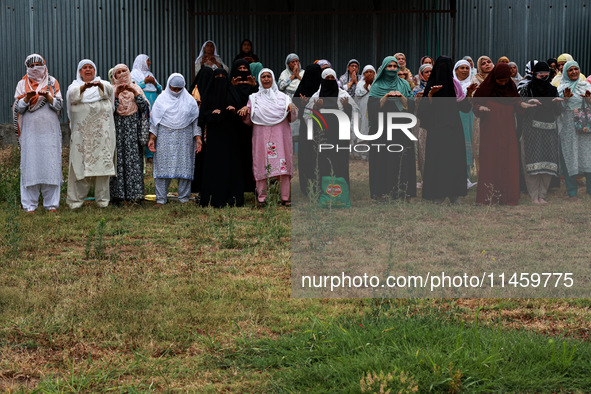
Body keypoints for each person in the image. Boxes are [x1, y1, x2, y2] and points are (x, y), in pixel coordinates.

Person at [473, 62, 536, 205]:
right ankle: (489, 196)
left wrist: (522, 105)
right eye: (499, 80)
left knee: (508, 160)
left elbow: (516, 103)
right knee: (491, 160)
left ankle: (508, 196)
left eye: (505, 80)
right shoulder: (486, 88)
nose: (502, 83)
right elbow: (475, 105)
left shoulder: (511, 86)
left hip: (507, 131)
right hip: (490, 131)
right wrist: (480, 107)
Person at [238, 69, 297, 207]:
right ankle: (262, 197)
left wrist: (292, 109)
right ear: (259, 79)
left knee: (282, 164)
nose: (266, 79)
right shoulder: (254, 98)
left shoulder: (284, 98)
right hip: (261, 136)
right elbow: (249, 120)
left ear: (273, 78)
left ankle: (285, 197)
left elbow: (292, 117)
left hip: (280, 136)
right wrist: (245, 111)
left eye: (268, 76)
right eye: (263, 77)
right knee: (262, 164)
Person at [12, 54, 62, 213]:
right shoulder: (22, 84)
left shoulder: (52, 82)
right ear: (27, 67)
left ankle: (52, 204)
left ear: (44, 65)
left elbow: (59, 105)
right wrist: (26, 99)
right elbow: (18, 109)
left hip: (50, 131)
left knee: (50, 164)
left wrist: (48, 96)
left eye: (38, 65)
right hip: (30, 132)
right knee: (30, 165)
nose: (35, 68)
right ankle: (29, 205)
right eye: (31, 65)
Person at [419, 56, 469, 204]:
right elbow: (422, 112)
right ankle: (437, 194)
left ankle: (455, 194)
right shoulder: (431, 85)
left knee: (455, 162)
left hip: (454, 130)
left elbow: (465, 108)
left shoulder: (455, 85)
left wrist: (469, 94)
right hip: (437, 131)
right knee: (438, 162)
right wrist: (430, 96)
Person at [66, 59, 116, 209]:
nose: (88, 70)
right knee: (79, 167)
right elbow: (72, 98)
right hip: (82, 137)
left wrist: (98, 85)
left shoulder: (104, 84)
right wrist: (83, 88)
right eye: (84, 68)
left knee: (103, 168)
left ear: (95, 71)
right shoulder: (73, 87)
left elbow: (109, 92)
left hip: (102, 137)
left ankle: (103, 201)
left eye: (91, 68)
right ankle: (75, 202)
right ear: (79, 72)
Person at [148, 74, 202, 207]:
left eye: (179, 89)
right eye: (174, 89)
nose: (176, 92)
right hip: (164, 137)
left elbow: (195, 122)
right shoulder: (161, 100)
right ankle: (161, 199)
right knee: (162, 168)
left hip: (184, 138)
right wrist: (152, 139)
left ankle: (183, 198)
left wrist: (198, 138)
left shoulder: (189, 101)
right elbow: (155, 121)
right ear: (168, 86)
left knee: (184, 168)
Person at [368, 56, 416, 200]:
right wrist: (386, 96)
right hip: (381, 129)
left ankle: (402, 191)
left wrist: (401, 97)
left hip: (401, 128)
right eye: (390, 67)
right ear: (384, 68)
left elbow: (411, 107)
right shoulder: (377, 86)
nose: (393, 69)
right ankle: (381, 191)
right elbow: (372, 109)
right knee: (382, 158)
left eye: (395, 66)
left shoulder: (404, 84)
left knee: (402, 158)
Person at [198, 68, 244, 207]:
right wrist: (211, 113)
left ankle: (232, 197)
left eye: (223, 76)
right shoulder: (208, 93)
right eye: (217, 76)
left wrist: (234, 111)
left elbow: (241, 114)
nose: (220, 79)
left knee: (231, 164)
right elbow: (202, 116)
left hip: (230, 136)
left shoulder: (232, 92)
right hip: (214, 135)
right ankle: (212, 197)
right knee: (214, 164)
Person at [306, 68, 358, 190]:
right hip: (323, 134)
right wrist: (316, 107)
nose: (329, 81)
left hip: (340, 134)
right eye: (327, 78)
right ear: (322, 80)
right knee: (323, 162)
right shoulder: (316, 96)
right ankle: (324, 190)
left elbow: (355, 113)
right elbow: (307, 116)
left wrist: (346, 107)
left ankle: (342, 190)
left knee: (340, 162)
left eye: (331, 78)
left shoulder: (343, 95)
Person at [518, 61, 560, 204]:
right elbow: (519, 108)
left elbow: (558, 111)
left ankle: (542, 195)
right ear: (534, 74)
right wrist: (529, 102)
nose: (543, 76)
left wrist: (559, 103)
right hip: (531, 129)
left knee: (547, 161)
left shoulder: (553, 89)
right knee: (531, 161)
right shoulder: (526, 88)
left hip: (549, 129)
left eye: (546, 73)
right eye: (540, 73)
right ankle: (533, 195)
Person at [109, 63, 149, 204]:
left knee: (134, 163)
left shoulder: (136, 88)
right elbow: (108, 111)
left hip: (133, 131)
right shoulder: (111, 90)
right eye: (118, 72)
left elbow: (144, 108)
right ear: (114, 76)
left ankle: (135, 196)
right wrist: (116, 94)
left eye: (124, 71)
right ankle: (118, 196)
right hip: (117, 132)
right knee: (118, 162)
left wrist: (134, 91)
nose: (121, 74)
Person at [557, 61, 591, 199]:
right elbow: (557, 109)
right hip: (568, 126)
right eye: (570, 70)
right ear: (565, 72)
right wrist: (564, 99)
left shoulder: (586, 85)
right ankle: (571, 190)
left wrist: (589, 100)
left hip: (584, 126)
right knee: (569, 154)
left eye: (576, 69)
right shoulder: (561, 88)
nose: (574, 72)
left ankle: (590, 189)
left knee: (587, 154)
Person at [293, 63, 323, 195]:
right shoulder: (300, 91)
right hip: (306, 129)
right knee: (306, 157)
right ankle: (306, 186)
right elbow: (295, 112)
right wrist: (303, 105)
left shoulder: (324, 90)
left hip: (322, 129)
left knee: (320, 157)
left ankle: (322, 184)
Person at [453, 60, 478, 186]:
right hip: (457, 117)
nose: (464, 70)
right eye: (461, 68)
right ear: (456, 70)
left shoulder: (472, 83)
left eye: (467, 68)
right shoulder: (453, 84)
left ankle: (467, 178)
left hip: (470, 116)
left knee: (468, 144)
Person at [469, 56, 494, 177]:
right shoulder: (476, 78)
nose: (487, 65)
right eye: (483, 64)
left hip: (497, 115)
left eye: (489, 62)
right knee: (481, 145)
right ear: (479, 67)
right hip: (482, 115)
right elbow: (475, 97)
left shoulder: (499, 77)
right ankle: (482, 176)